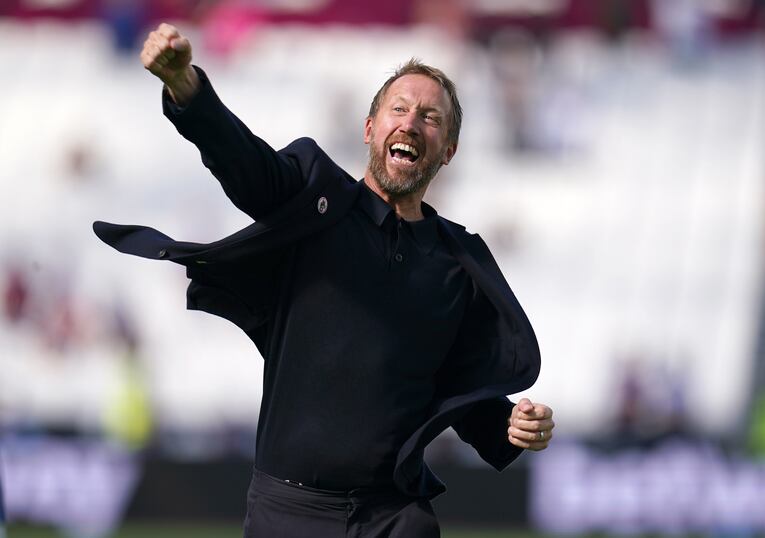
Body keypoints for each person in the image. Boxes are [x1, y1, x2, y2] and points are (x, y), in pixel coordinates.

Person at [96, 22, 555, 538]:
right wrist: (185, 86)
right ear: (369, 128)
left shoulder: (458, 263)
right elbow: (246, 164)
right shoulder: (317, 200)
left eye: (430, 118)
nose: (411, 123)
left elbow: (463, 393)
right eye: (399, 109)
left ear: (447, 150)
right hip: (288, 513)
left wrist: (511, 425)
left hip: (395, 518)